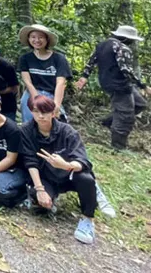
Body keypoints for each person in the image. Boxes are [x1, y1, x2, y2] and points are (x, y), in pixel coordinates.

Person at [20, 95, 97, 244]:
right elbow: (30, 161)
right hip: (46, 176)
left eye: (45, 112)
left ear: (53, 113)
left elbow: (83, 162)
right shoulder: (26, 130)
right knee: (40, 206)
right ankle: (49, 197)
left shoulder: (67, 131)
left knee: (86, 179)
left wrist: (65, 165)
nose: (41, 116)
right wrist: (40, 190)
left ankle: (88, 219)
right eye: (36, 111)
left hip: (69, 174)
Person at [76, 25, 151, 151]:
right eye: (132, 40)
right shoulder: (122, 48)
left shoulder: (102, 45)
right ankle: (118, 146)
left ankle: (109, 122)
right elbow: (126, 70)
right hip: (120, 85)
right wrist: (144, 86)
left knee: (140, 104)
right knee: (126, 116)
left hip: (108, 82)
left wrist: (85, 76)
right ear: (126, 38)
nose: (132, 42)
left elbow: (91, 61)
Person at [17, 24, 72, 124]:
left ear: (47, 39)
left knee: (55, 123)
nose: (37, 40)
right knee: (30, 125)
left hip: (51, 94)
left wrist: (56, 105)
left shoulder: (59, 59)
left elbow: (61, 83)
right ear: (29, 39)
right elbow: (27, 81)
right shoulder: (25, 58)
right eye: (33, 37)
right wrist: (37, 100)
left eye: (40, 37)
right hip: (31, 94)